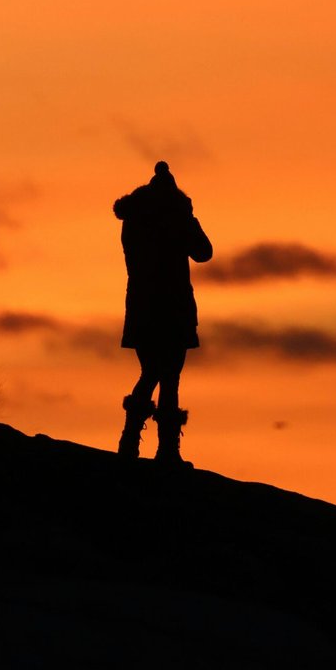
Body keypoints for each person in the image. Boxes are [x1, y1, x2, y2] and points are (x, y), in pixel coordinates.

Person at [113, 160, 212, 466]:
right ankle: (165, 449)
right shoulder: (174, 217)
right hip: (172, 305)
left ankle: (132, 442)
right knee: (167, 376)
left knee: (152, 371)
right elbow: (204, 252)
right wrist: (189, 217)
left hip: (142, 305)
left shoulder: (133, 218)